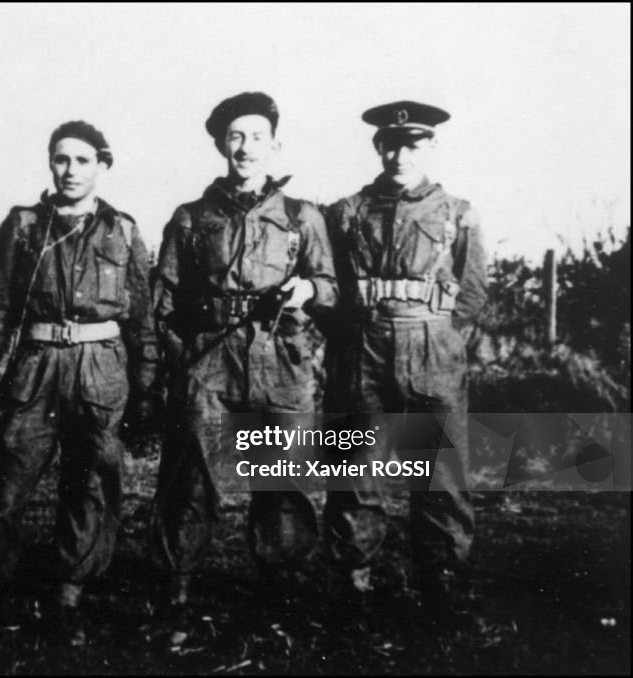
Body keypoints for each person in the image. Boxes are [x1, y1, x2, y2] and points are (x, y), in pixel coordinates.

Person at [0, 120, 159, 646]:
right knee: (9, 481)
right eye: (61, 159)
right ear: (50, 163)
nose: (70, 170)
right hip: (36, 367)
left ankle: (69, 595)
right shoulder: (25, 225)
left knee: (91, 483)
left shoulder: (123, 230)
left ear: (103, 165)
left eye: (82, 160)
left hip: (100, 370)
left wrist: (143, 386)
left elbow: (142, 316)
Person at [150, 92, 337, 633]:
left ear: (275, 145)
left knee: (283, 482)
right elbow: (162, 301)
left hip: (282, 360)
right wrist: (181, 363)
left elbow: (331, 286)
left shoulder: (303, 216)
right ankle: (175, 598)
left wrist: (308, 288)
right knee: (190, 480)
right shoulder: (191, 217)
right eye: (235, 136)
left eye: (257, 137)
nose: (246, 147)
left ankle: (279, 600)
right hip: (209, 359)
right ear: (219, 144)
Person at [322, 100, 487, 618]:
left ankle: (442, 587)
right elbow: (330, 290)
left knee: (439, 472)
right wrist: (357, 334)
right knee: (353, 469)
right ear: (377, 146)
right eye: (391, 143)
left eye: (413, 143)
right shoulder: (346, 212)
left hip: (432, 350)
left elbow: (473, 292)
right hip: (362, 349)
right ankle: (354, 585)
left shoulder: (458, 212)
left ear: (432, 147)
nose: (401, 153)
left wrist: (437, 336)